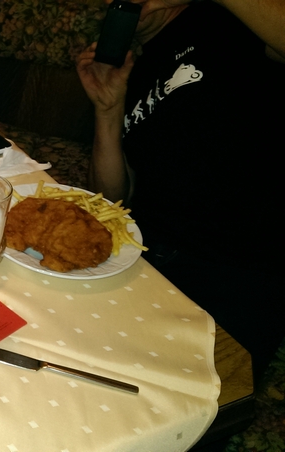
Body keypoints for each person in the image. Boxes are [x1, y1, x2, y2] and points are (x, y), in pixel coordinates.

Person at [76, 0, 285, 385]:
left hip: (235, 269)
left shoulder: (230, 23)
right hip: (146, 258)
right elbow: (111, 201)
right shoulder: (135, 72)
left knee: (195, 398)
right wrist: (108, 110)